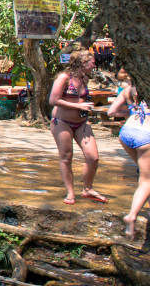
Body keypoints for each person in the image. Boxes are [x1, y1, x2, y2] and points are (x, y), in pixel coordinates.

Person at [49, 49, 106, 205]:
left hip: (81, 122)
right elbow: (53, 100)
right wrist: (77, 106)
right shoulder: (64, 78)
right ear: (82, 63)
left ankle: (87, 189)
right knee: (66, 157)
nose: (94, 65)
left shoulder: (84, 78)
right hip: (62, 122)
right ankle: (70, 192)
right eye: (92, 62)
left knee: (93, 156)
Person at [107, 81, 150, 238]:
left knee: (143, 173)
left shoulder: (128, 89)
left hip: (127, 132)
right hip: (146, 134)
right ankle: (131, 216)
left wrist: (131, 112)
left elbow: (111, 112)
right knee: (147, 180)